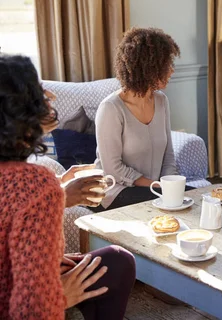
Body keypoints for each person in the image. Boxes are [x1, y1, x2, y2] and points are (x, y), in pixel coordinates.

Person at [0, 55, 136, 320]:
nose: (49, 96)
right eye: (38, 94)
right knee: (117, 262)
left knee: (114, 261)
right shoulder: (34, 185)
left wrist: (59, 191)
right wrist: (59, 296)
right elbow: (31, 309)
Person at [94, 27, 181, 210]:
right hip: (115, 192)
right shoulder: (110, 109)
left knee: (195, 198)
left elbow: (169, 157)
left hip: (154, 189)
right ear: (147, 68)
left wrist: (172, 185)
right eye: (165, 65)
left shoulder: (161, 101)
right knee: (170, 204)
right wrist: (156, 186)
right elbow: (113, 169)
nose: (171, 71)